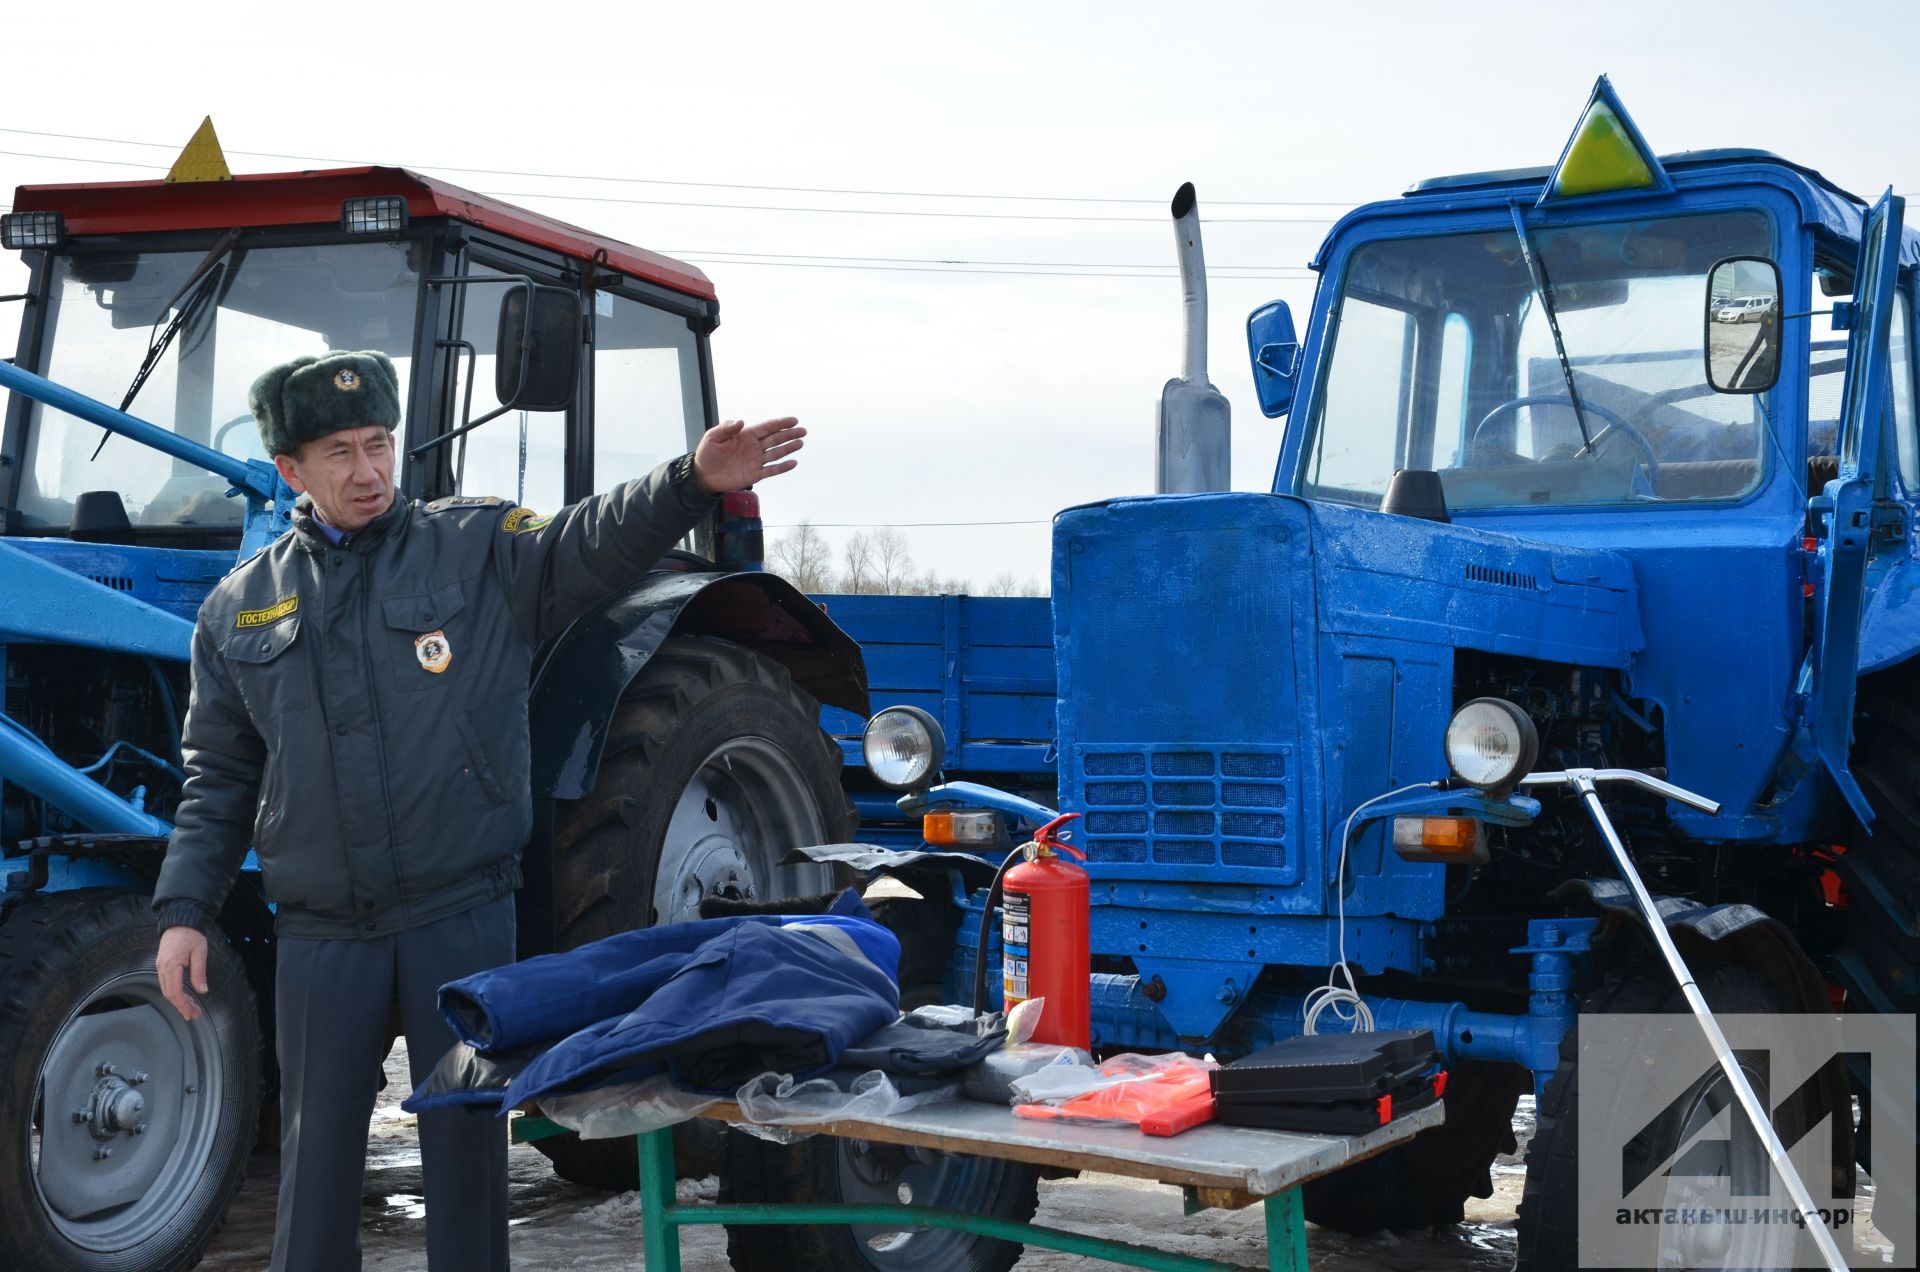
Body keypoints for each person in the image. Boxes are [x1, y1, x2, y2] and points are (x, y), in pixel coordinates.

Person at [149, 349, 803, 1271]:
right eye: (339, 453)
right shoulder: (239, 611)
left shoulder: (481, 548)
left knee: (466, 1155)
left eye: (379, 443)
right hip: (324, 931)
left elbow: (593, 539)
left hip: (458, 913)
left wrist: (691, 480)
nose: (369, 471)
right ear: (291, 471)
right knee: (315, 1157)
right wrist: (183, 913)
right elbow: (216, 778)